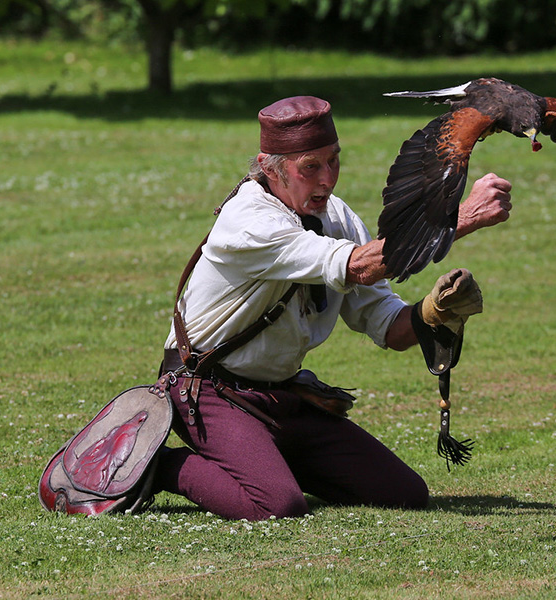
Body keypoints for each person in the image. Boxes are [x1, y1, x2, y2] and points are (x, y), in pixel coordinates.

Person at [154, 96, 513, 520]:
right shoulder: (248, 220)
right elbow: (358, 267)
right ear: (269, 167)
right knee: (276, 505)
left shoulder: (335, 216)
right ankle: (159, 467)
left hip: (281, 393)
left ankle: (261, 459)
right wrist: (460, 217)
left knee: (403, 493)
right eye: (311, 166)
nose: (327, 179)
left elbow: (388, 327)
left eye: (334, 162)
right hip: (206, 389)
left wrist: (434, 313)